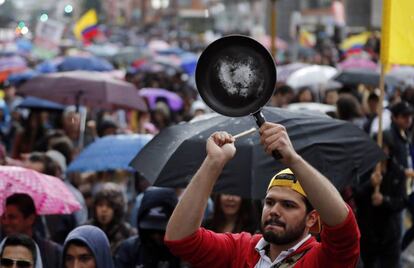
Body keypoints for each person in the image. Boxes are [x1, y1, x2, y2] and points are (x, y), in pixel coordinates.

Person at [165, 122, 360, 267]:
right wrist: (213, 162)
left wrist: (293, 159)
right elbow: (180, 239)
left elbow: (344, 228)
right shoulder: (241, 249)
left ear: (312, 218)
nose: (274, 211)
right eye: (270, 202)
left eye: (288, 205)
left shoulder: (322, 260)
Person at [353, 134, 407, 268]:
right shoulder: (363, 169)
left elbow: (402, 201)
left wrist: (385, 200)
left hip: (389, 234)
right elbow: (355, 196)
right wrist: (369, 185)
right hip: (368, 232)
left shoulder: (397, 171)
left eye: (383, 147)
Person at [114, 187, 185, 267]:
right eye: (150, 230)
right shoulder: (130, 250)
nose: (156, 236)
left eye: (162, 231)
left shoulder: (184, 253)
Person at [1, 193, 62, 268]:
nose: (5, 222)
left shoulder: (52, 252)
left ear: (30, 219)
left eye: (12, 217)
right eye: (6, 263)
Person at [87, 183, 136, 254]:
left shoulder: (127, 232)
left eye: (109, 206)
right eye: (100, 205)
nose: (104, 210)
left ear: (117, 209)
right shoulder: (87, 230)